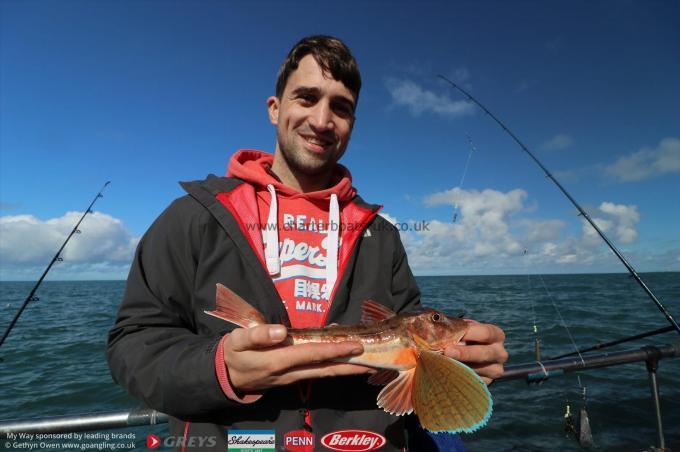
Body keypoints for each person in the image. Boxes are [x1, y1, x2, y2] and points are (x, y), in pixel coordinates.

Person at [107, 35, 507, 451]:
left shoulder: (381, 234)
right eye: (307, 97)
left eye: (341, 107)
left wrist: (463, 363)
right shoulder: (196, 217)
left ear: (352, 124)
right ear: (275, 108)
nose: (322, 120)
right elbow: (133, 344)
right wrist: (220, 368)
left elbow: (403, 321)